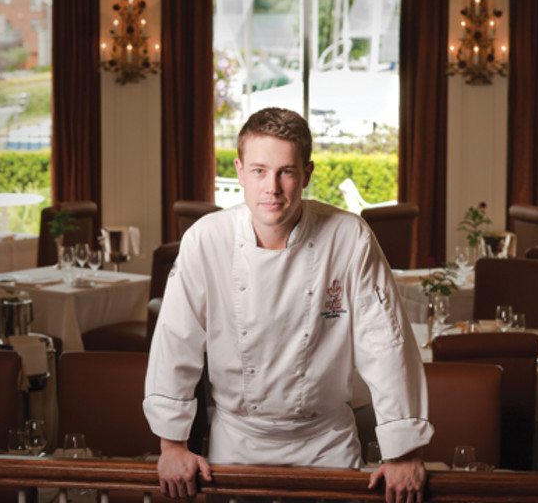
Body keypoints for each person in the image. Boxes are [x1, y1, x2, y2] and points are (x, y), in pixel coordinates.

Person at [143, 107, 434, 502]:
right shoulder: (205, 240)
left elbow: (385, 343)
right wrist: (172, 445)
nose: (272, 188)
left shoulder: (349, 238)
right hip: (238, 442)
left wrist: (404, 452)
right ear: (240, 171)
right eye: (260, 171)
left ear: (308, 174)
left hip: (325, 443)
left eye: (287, 172)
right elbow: (176, 340)